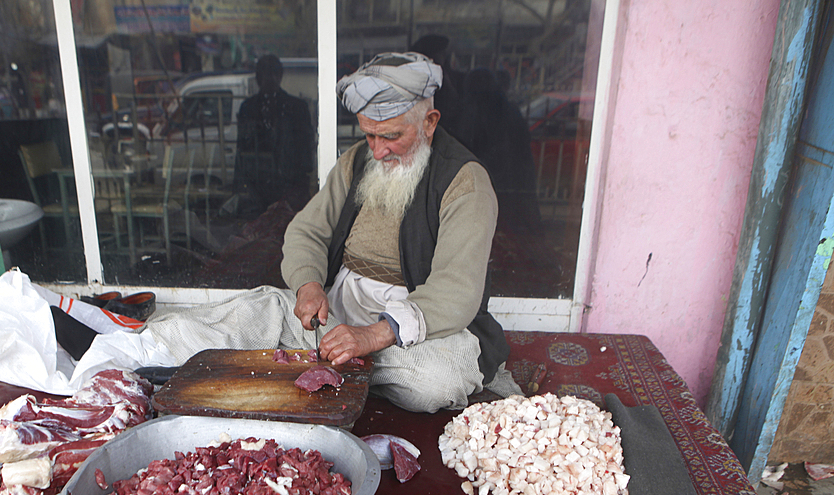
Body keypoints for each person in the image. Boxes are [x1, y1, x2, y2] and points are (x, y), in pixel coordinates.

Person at [51, 52, 520, 413]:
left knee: (434, 383)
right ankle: (122, 356)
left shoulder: (466, 181)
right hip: (342, 308)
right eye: (369, 135)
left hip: (421, 326)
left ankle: (330, 366)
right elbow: (306, 232)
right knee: (254, 314)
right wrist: (311, 285)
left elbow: (456, 292)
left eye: (391, 136)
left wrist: (373, 336)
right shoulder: (358, 160)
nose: (377, 151)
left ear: (430, 122)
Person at [235, 54, 315, 212]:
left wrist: (301, 186)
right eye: (263, 74)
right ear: (258, 78)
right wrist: (240, 187)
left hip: (289, 186)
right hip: (256, 188)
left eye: (273, 74)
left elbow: (306, 148)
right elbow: (242, 150)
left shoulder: (297, 107)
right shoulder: (248, 108)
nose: (268, 79)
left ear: (280, 76)